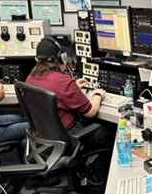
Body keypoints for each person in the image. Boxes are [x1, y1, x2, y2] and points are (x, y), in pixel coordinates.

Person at [26, 37, 115, 183]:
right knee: (108, 131)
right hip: (69, 138)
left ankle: (85, 171)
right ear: (61, 57)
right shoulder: (62, 81)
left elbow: (56, 94)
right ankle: (98, 176)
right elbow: (91, 111)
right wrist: (98, 94)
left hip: (43, 140)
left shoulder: (32, 76)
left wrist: (73, 86)